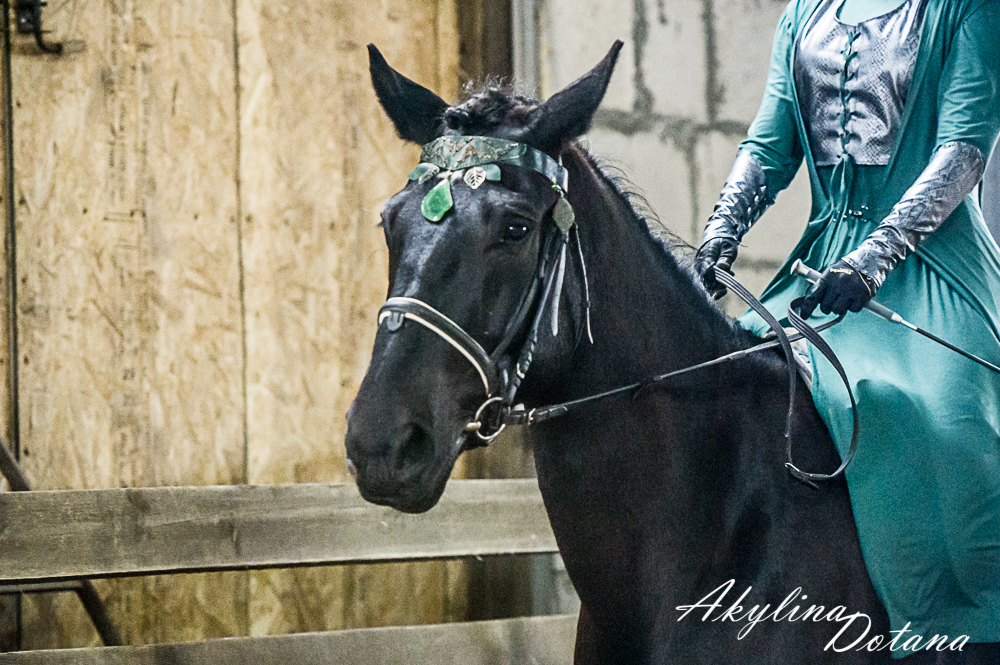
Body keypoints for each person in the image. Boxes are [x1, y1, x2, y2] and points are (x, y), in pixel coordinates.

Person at [693, 0, 1000, 659]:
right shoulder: (803, 14)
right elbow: (768, 147)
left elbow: (961, 152)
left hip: (933, 269)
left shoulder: (967, 9)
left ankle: (967, 633)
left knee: (951, 426)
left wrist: (875, 258)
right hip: (821, 271)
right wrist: (721, 229)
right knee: (726, 382)